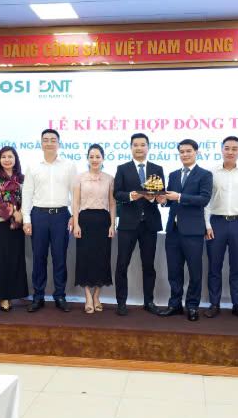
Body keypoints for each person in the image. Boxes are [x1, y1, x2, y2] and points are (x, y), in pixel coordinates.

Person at [203, 136, 238, 320]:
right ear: (221, 150)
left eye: (234, 149)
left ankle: (237, 304)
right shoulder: (211, 173)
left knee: (237, 267)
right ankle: (214, 304)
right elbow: (206, 202)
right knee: (214, 266)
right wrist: (207, 224)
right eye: (227, 148)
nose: (230, 152)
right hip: (216, 223)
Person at [157, 139, 213, 322]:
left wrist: (179, 196)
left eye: (188, 151)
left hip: (193, 231)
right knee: (174, 271)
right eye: (182, 151)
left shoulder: (205, 175)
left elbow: (204, 199)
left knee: (195, 272)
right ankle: (174, 304)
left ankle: (192, 306)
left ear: (196, 152)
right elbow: (170, 201)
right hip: (173, 230)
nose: (185, 154)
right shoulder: (173, 175)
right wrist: (163, 201)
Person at [22, 129, 77, 312]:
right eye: (46, 140)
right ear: (41, 143)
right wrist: (26, 219)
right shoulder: (33, 166)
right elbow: (27, 193)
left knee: (60, 258)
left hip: (61, 216)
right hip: (39, 215)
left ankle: (60, 296)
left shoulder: (69, 165)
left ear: (59, 144)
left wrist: (74, 216)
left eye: (53, 140)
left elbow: (75, 193)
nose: (49, 143)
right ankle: (38, 296)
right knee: (39, 258)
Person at [113, 133, 165, 316]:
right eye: (136, 145)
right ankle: (121, 302)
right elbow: (117, 193)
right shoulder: (123, 168)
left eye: (143, 145)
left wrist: (153, 198)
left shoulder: (157, 168)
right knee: (122, 264)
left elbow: (161, 194)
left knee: (149, 265)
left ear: (148, 147)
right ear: (131, 147)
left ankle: (149, 301)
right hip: (128, 224)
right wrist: (130, 196)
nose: (139, 148)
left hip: (149, 224)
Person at [0, 146, 28, 311]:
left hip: (19, 225)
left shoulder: (23, 178)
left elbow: (29, 198)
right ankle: (3, 297)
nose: (7, 160)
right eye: (4, 157)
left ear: (15, 159)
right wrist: (14, 212)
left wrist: (22, 213)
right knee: (1, 260)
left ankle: (14, 293)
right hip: (1, 224)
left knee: (16, 259)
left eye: (10, 156)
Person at [72, 144, 115, 314]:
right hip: (85, 220)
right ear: (87, 158)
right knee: (85, 258)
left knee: (102, 258)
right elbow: (75, 202)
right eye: (91, 156)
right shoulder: (79, 178)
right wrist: (76, 224)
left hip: (103, 220)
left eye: (98, 156)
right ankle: (87, 296)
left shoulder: (110, 178)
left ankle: (97, 295)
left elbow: (112, 204)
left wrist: (112, 224)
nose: (95, 160)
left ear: (103, 158)